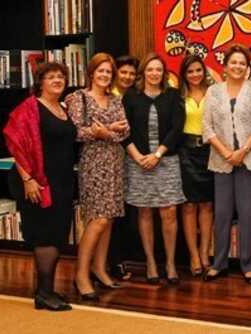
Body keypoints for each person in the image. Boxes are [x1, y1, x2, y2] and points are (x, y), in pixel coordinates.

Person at [3, 62, 76, 311]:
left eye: (61, 77)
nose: (57, 80)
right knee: (44, 234)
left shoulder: (63, 108)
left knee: (56, 234)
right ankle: (44, 294)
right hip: (36, 181)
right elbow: (15, 142)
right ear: (40, 82)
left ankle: (47, 289)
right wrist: (28, 179)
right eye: (51, 77)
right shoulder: (31, 107)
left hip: (62, 181)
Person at [201, 44, 251, 284]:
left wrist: (242, 151)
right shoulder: (213, 91)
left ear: (247, 67)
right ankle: (218, 263)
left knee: (249, 214)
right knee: (222, 214)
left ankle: (248, 265)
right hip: (222, 161)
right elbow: (207, 127)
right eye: (234, 62)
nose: (238, 66)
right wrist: (226, 152)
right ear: (225, 66)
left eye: (242, 63)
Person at [66, 53, 130, 298]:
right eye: (100, 71)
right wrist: (101, 133)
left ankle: (100, 269)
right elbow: (74, 132)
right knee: (98, 218)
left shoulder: (115, 99)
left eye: (108, 72)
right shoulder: (78, 98)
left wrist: (107, 131)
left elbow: (125, 131)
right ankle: (81, 274)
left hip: (115, 162)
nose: (104, 75)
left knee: (110, 217)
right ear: (91, 73)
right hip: (93, 164)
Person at [122, 52, 187, 285]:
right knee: (145, 211)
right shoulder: (131, 97)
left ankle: (170, 262)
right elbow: (124, 131)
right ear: (143, 73)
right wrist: (139, 157)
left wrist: (158, 154)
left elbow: (177, 129)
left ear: (164, 73)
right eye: (150, 69)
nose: (154, 73)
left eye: (158, 69)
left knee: (169, 211)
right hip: (137, 161)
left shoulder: (172, 96)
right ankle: (150, 262)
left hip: (166, 161)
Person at [177, 54, 214, 276]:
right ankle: (193, 256)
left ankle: (204, 252)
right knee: (190, 205)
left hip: (209, 151)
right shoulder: (177, 96)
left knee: (207, 205)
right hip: (186, 153)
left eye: (198, 70)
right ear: (184, 74)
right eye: (190, 71)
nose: (195, 75)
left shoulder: (214, 93)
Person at [108, 55, 140, 281]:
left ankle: (116, 260)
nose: (127, 77)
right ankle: (110, 262)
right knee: (110, 214)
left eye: (132, 73)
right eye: (123, 72)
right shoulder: (109, 97)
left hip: (128, 163)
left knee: (122, 214)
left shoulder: (133, 97)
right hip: (109, 161)